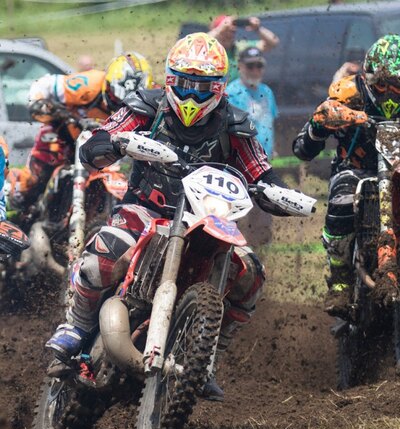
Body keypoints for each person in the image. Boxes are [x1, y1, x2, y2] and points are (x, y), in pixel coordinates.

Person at [45, 32, 308, 402]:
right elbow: (104, 135)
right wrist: (110, 144)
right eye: (184, 84)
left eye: (202, 87)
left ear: (218, 87)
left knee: (251, 276)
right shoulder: (148, 107)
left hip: (206, 221)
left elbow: (260, 171)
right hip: (145, 210)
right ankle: (76, 326)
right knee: (101, 256)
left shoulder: (236, 124)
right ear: (170, 80)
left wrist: (278, 192)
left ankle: (207, 356)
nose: (191, 94)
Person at [292, 34, 400, 319]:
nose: (390, 93)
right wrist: (342, 118)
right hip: (355, 167)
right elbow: (317, 124)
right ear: (368, 78)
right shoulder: (350, 91)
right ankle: (340, 280)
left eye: (397, 86)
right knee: (342, 197)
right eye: (383, 85)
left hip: (397, 170)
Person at [8, 52, 154, 212]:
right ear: (107, 85)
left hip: (107, 147)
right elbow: (44, 84)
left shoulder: (151, 98)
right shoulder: (88, 83)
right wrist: (37, 102)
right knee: (32, 181)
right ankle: (13, 204)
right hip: (65, 135)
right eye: (115, 100)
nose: (120, 109)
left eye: (127, 106)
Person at [227, 46, 278, 158]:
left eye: (259, 65)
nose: (255, 71)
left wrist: (273, 149)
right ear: (240, 66)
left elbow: (270, 123)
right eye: (250, 66)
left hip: (265, 158)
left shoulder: (267, 91)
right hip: (243, 159)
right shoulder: (231, 92)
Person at [208, 14, 279, 82]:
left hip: (238, 90)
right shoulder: (209, 51)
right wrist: (221, 28)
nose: (230, 33)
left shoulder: (240, 47)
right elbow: (201, 43)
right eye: (226, 30)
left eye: (233, 31)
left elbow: (272, 42)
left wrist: (258, 29)